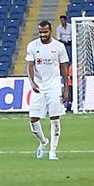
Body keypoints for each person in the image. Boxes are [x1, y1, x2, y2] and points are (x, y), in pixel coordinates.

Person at [25, 21, 70, 161]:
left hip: (54, 86)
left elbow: (64, 67)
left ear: (50, 31)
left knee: (55, 118)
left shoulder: (59, 46)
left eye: (45, 32)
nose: (43, 35)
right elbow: (30, 66)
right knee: (33, 119)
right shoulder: (32, 46)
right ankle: (44, 141)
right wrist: (32, 82)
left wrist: (66, 88)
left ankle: (53, 151)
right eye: (40, 32)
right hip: (39, 86)